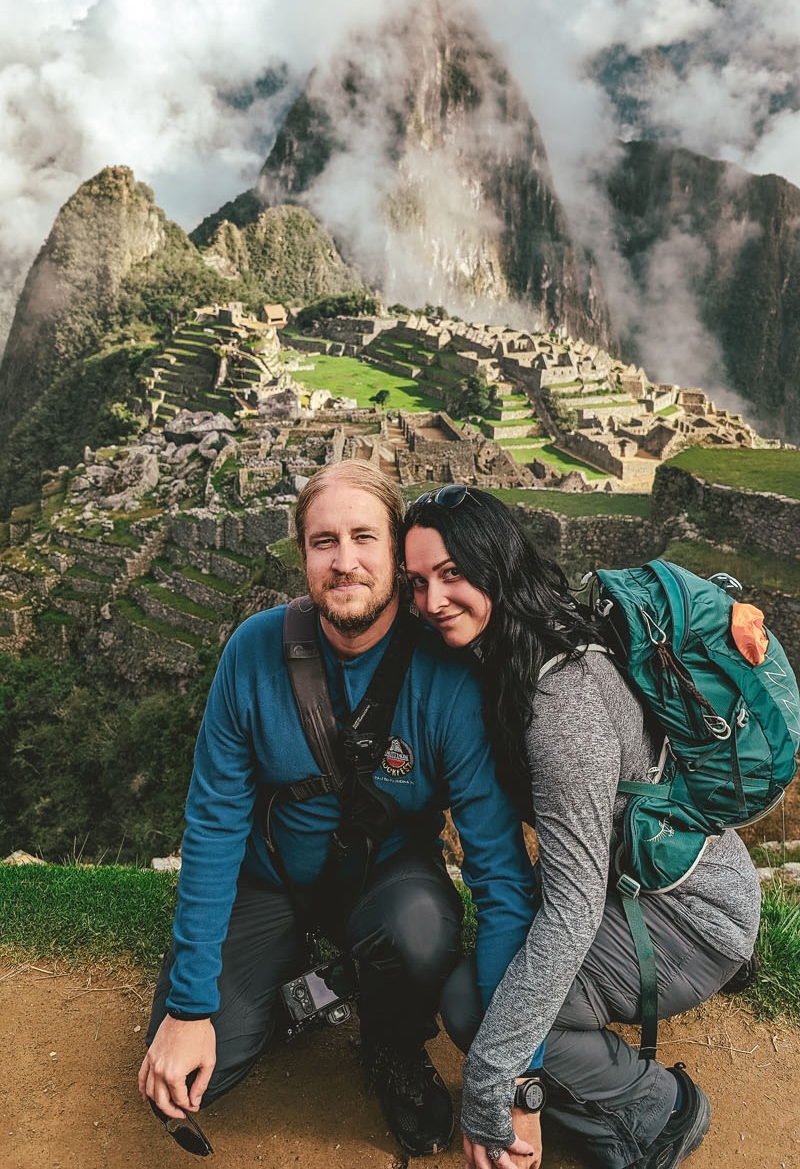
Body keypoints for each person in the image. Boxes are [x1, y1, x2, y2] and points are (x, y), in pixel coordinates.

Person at [138, 461, 536, 1159]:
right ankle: (289, 964)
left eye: (363, 537)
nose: (345, 561)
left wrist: (506, 1075)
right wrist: (189, 1006)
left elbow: (500, 872)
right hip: (270, 879)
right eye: (325, 541)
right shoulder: (253, 653)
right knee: (199, 1072)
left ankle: (391, 1045)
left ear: (396, 553)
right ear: (302, 555)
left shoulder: (446, 678)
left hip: (386, 882)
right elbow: (213, 824)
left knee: (420, 931)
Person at [403, 485, 762, 1169]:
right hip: (655, 878)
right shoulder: (528, 638)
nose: (431, 600)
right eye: (417, 582)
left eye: (452, 574)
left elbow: (569, 910)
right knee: (497, 981)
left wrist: (494, 1080)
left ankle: (655, 1110)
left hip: (689, 915)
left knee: (476, 1006)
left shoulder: (557, 699)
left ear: (495, 564)